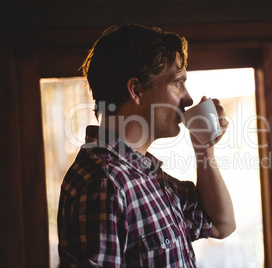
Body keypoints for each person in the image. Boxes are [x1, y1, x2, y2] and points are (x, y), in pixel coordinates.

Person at [57, 24, 236, 267]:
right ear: (136, 90)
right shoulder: (104, 181)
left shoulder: (143, 174)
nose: (189, 98)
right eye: (177, 83)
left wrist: (204, 149)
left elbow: (220, 224)